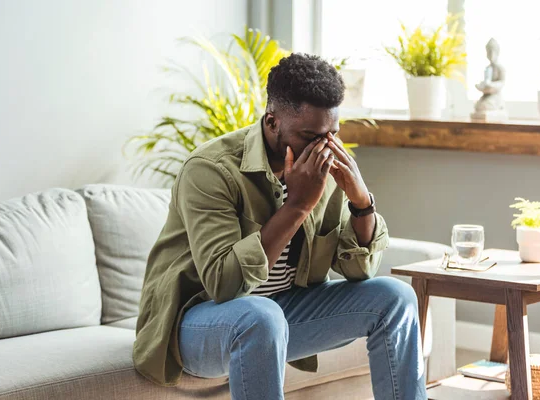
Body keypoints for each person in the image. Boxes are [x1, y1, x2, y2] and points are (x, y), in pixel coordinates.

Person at [133, 53, 427, 400]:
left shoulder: (326, 167)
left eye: (332, 134)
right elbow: (225, 285)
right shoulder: (211, 170)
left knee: (395, 297)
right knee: (261, 315)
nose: (325, 147)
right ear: (272, 122)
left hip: (280, 313)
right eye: (310, 135)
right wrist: (298, 205)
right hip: (196, 324)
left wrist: (362, 202)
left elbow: (359, 270)